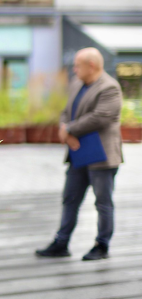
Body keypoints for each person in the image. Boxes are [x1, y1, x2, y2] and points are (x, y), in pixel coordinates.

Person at [36, 47, 122, 261]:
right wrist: (65, 129)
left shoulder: (110, 87)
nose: (74, 69)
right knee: (70, 199)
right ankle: (61, 243)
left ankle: (102, 245)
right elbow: (66, 112)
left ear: (91, 66)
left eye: (77, 65)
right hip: (78, 153)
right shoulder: (76, 84)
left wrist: (69, 130)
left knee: (102, 202)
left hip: (101, 155)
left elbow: (100, 117)